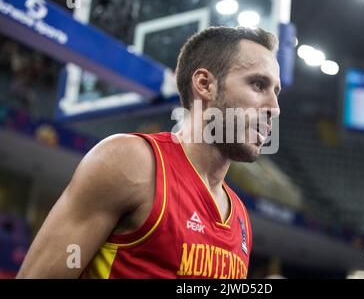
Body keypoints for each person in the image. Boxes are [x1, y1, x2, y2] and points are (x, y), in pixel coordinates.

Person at [16, 26, 281, 279]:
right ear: (204, 84)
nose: (274, 108)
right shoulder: (132, 163)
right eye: (258, 85)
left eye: (276, 92)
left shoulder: (240, 218)